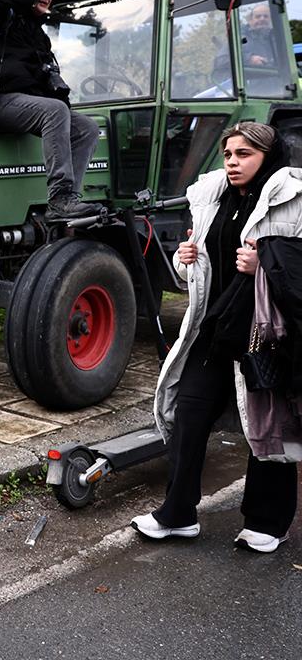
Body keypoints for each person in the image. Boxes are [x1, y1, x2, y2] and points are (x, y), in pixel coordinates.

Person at [132, 122, 302, 553]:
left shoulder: (293, 200)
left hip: (266, 333)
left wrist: (264, 263)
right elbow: (201, 268)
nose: (233, 162)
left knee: (266, 428)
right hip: (214, 326)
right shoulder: (213, 199)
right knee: (189, 413)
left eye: (244, 154)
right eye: (228, 154)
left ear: (267, 155)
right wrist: (185, 259)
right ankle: (178, 513)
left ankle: (268, 523)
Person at [0, 0, 103, 220]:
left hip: (30, 106)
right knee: (54, 110)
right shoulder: (0, 20)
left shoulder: (39, 38)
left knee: (86, 127)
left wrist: (63, 102)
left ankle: (69, 200)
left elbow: (47, 85)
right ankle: (60, 197)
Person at [242, 3, 278, 69]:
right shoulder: (240, 38)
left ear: (270, 20)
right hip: (251, 78)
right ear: (251, 21)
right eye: (258, 16)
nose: (262, 19)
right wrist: (249, 59)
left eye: (266, 16)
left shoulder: (279, 38)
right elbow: (222, 60)